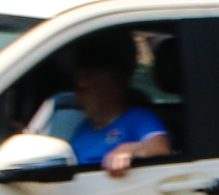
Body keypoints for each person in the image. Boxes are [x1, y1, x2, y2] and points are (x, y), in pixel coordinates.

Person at [63, 35, 170, 178]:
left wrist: (129, 150)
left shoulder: (140, 118)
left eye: (85, 89)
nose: (77, 96)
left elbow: (160, 147)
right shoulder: (83, 128)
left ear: (112, 88)